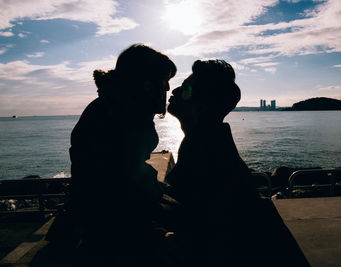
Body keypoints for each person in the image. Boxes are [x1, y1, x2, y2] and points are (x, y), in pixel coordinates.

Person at [166, 60, 310, 266]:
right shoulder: (208, 143)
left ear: (202, 105)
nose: (175, 89)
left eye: (186, 87)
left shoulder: (206, 153)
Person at [69, 44, 177, 266]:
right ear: (146, 82)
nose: (167, 87)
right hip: (117, 238)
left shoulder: (117, 108)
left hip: (109, 230)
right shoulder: (119, 117)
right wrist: (155, 233)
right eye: (164, 79)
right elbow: (115, 188)